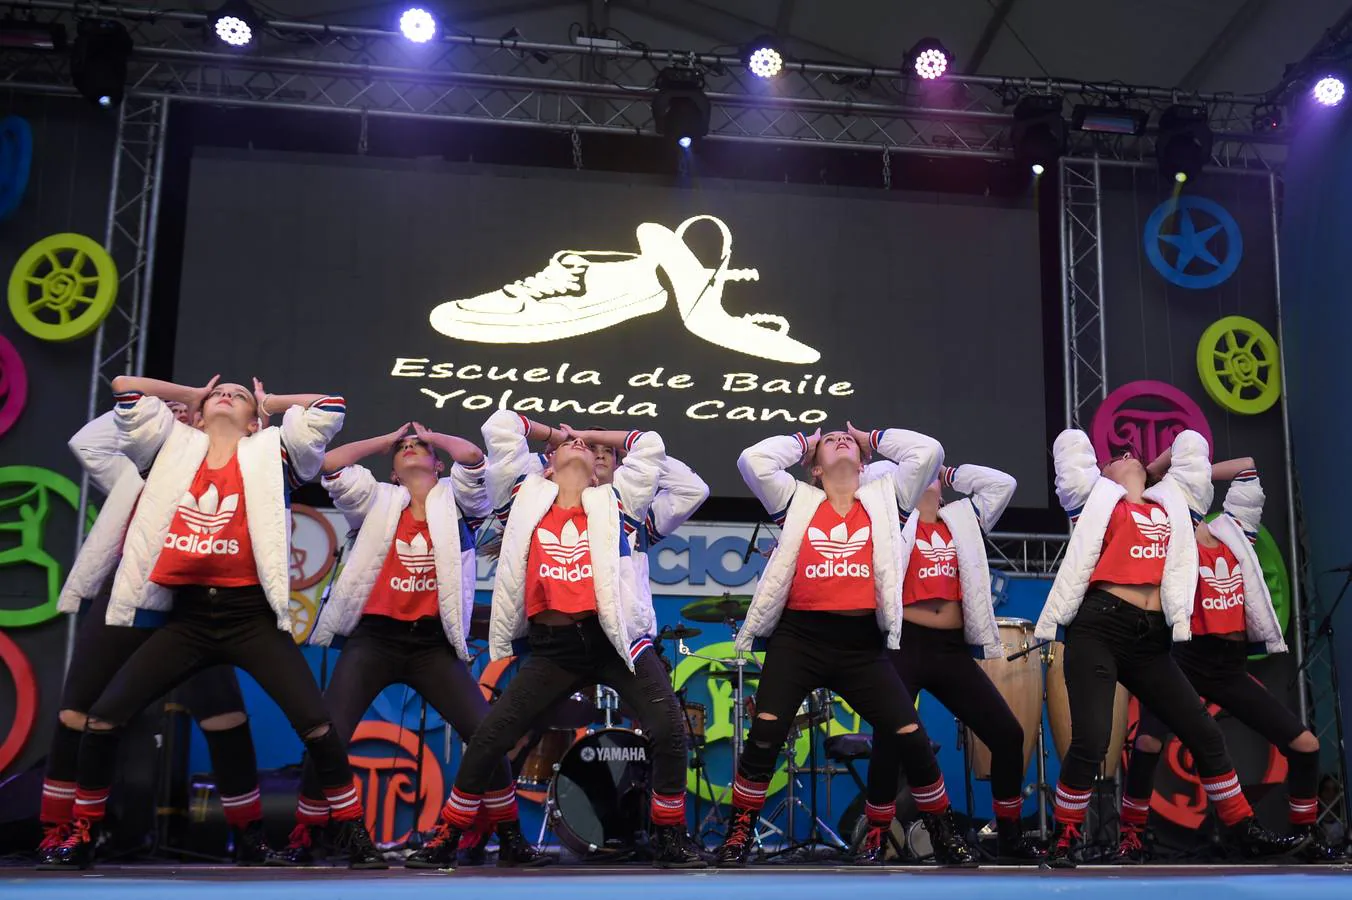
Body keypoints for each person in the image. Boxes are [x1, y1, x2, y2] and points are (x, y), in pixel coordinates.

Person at [41, 376, 383, 870]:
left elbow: (330, 405)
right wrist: (190, 396)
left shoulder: (273, 456)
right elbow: (123, 387)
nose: (228, 396)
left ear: (255, 422)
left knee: (316, 726)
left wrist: (272, 404)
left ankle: (351, 835)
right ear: (198, 415)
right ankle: (79, 834)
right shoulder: (169, 452)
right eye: (220, 394)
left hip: (249, 618)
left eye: (239, 396)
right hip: (185, 615)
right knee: (99, 718)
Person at [404, 412, 705, 869]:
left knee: (668, 730)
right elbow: (501, 427)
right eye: (571, 445)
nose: (582, 447)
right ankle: (448, 833)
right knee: (490, 736)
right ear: (547, 459)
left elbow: (649, 445)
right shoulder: (525, 497)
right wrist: (557, 434)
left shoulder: (620, 502)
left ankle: (669, 836)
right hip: (553, 648)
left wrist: (586, 436)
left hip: (616, 643)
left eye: (590, 447)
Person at [267, 421, 546, 868]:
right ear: (393, 471)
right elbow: (331, 464)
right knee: (329, 735)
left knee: (487, 734)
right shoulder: (376, 499)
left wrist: (433, 437)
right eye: (404, 450)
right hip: (374, 639)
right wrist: (384, 440)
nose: (412, 450)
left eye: (421, 448)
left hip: (431, 645)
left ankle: (510, 837)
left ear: (438, 463)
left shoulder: (459, 504)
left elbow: (473, 457)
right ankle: (306, 836)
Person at [714, 424, 978, 867]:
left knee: (911, 737)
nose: (840, 440)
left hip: (861, 649)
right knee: (764, 735)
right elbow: (752, 461)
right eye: (830, 440)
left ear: (864, 464)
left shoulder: (885, 501)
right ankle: (739, 832)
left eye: (847, 441)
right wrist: (804, 441)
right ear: (815, 469)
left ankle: (943, 832)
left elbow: (928, 450)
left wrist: (871, 437)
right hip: (799, 640)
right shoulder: (796, 500)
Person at [1035, 429, 1299, 867]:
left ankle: (1242, 830)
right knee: (1093, 740)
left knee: (1204, 733)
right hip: (1098, 628)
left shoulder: (1175, 506)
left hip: (1150, 640)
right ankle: (1064, 837)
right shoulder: (1097, 503)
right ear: (1103, 473)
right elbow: (1069, 444)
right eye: (1116, 457)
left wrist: (1148, 471)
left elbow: (1190, 446)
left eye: (1131, 455)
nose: (1126, 457)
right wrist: (1124, 474)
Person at [38, 402, 265, 866]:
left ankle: (248, 834)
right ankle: (64, 830)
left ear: (202, 425)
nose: (179, 419)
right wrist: (163, 403)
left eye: (188, 413)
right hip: (129, 596)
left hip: (195, 606)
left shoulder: (231, 466)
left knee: (225, 717)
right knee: (76, 714)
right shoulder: (135, 473)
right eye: (172, 415)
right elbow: (87, 443)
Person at [1116, 454, 1338, 863]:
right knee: (1147, 742)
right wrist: (1159, 473)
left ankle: (1304, 838)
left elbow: (1249, 467)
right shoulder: (1169, 539)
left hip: (1228, 666)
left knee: (1305, 745)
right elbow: (1142, 493)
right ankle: (1131, 836)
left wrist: (1184, 465)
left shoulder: (1236, 530)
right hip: (1184, 660)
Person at [858, 460, 1041, 862]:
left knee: (1008, 735)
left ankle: (1009, 834)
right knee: (890, 740)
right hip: (905, 644)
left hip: (951, 649)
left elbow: (1003, 482)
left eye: (935, 472)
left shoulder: (962, 520)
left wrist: (950, 470)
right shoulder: (893, 520)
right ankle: (876, 837)